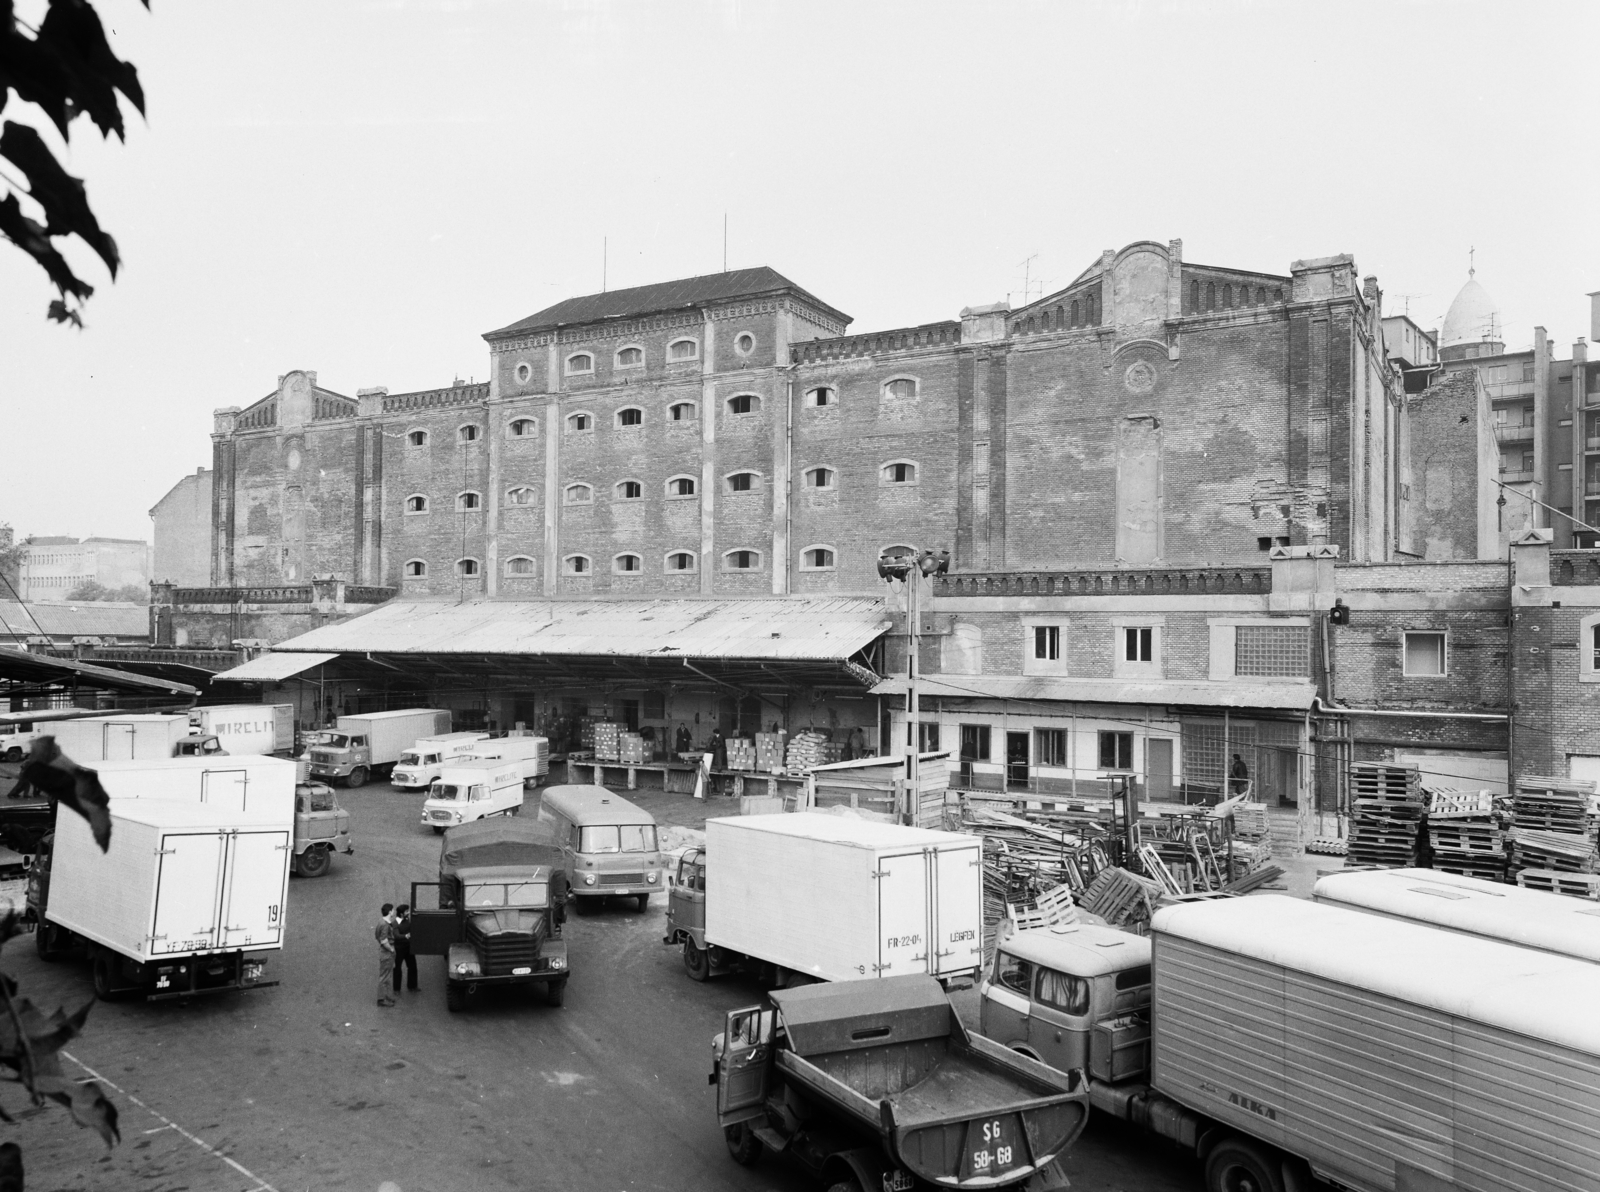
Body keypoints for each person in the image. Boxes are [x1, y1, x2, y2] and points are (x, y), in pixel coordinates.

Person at [392, 904, 418, 994]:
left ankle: (412, 986)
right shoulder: (395, 923)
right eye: (406, 911)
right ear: (401, 914)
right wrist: (406, 936)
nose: (408, 913)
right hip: (399, 949)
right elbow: (396, 935)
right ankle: (396, 989)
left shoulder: (407, 920)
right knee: (398, 968)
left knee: (412, 967)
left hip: (408, 947)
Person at [375, 902, 396, 1007]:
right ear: (390, 911)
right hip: (387, 952)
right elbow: (384, 940)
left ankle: (387, 996)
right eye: (393, 910)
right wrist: (391, 949)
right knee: (384, 976)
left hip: (384, 952)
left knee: (387, 975)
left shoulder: (380, 922)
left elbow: (377, 936)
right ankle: (381, 999)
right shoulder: (386, 925)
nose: (394, 912)